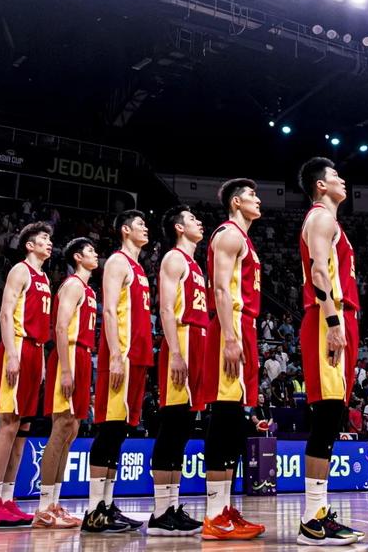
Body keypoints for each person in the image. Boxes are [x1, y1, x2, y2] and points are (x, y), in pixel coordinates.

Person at [296, 157, 361, 545]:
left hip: (336, 316)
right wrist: (333, 321)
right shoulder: (321, 218)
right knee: (326, 416)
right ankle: (311, 519)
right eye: (335, 176)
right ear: (321, 185)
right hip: (327, 318)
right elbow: (320, 272)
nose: (343, 181)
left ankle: (319, 512)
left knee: (333, 414)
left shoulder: (329, 220)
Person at [201, 179, 267, 540]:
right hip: (232, 325)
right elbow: (221, 287)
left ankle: (225, 509)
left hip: (244, 325)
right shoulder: (228, 234)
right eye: (252, 196)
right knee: (224, 417)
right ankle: (213, 514)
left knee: (235, 419)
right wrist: (229, 335)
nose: (258, 200)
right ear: (237, 202)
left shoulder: (245, 239)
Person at [82, 210, 153, 534]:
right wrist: (112, 355)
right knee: (110, 429)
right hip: (120, 355)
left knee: (121, 430)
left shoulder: (139, 269)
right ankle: (94, 510)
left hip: (138, 356)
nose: (145, 228)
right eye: (139, 224)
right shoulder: (117, 262)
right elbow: (108, 309)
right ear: (125, 230)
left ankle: (107, 505)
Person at [0, 222, 53, 526]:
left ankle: (9, 499)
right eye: (43, 239)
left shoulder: (45, 277)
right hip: (18, 346)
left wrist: (39, 361)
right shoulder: (20, 270)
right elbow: (4, 312)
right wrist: (11, 353)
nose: (49, 244)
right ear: (29, 245)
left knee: (23, 431)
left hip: (35, 350)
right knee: (8, 424)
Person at [150, 207, 208, 536]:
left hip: (197, 341)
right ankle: (160, 512)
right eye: (192, 218)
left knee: (184, 429)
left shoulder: (195, 265)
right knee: (172, 427)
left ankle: (172, 506)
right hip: (182, 340)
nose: (199, 222)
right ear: (178, 227)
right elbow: (165, 309)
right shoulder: (174, 258)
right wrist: (174, 352)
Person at [37, 238, 100, 530]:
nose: (95, 254)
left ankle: (54, 503)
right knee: (60, 427)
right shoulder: (73, 284)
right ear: (77, 257)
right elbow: (60, 327)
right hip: (70, 355)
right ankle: (42, 508)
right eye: (90, 251)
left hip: (84, 356)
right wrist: (64, 368)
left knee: (72, 430)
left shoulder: (88, 290)